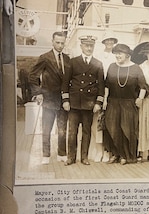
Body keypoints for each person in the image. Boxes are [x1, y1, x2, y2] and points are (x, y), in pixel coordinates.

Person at [62, 35, 105, 166]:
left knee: (86, 131)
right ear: (81, 46)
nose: (89, 48)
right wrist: (65, 100)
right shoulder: (73, 62)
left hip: (89, 104)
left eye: (91, 46)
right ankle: (71, 157)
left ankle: (84, 157)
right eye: (86, 45)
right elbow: (65, 82)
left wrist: (98, 103)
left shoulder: (98, 64)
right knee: (72, 131)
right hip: (74, 103)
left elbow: (101, 86)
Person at [28, 31, 70, 164]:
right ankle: (45, 155)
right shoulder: (44, 57)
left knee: (62, 129)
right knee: (47, 129)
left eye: (62, 43)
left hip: (63, 101)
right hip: (49, 100)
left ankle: (62, 154)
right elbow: (32, 76)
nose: (60, 45)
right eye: (57, 42)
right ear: (52, 41)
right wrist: (38, 93)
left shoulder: (68, 59)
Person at [103, 43, 148, 165]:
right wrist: (105, 100)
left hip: (129, 104)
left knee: (126, 130)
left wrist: (140, 98)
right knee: (112, 129)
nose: (117, 56)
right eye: (116, 53)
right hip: (113, 102)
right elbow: (106, 85)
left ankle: (125, 156)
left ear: (127, 55)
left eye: (120, 53)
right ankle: (115, 154)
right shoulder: (112, 67)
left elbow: (143, 86)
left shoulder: (136, 68)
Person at [88, 30, 118, 163]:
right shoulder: (98, 55)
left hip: (113, 93)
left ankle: (108, 151)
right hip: (99, 92)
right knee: (97, 123)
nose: (109, 42)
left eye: (112, 40)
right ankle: (99, 150)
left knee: (109, 124)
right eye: (107, 40)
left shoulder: (117, 56)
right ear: (104, 42)